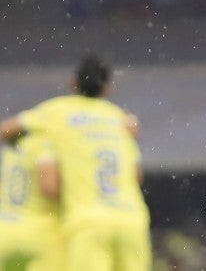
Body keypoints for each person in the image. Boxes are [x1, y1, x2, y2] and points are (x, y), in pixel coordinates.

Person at [0, 55, 151, 271]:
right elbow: (136, 176)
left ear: (73, 83)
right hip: (132, 219)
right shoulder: (120, 120)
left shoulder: (58, 111)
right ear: (108, 89)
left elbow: (6, 130)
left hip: (87, 221)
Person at [0, 132, 63, 270]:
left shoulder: (14, 148)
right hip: (39, 233)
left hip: (5, 231)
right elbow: (50, 188)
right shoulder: (46, 145)